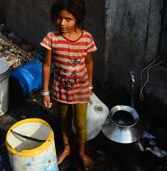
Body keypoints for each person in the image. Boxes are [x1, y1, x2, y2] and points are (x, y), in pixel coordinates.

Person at [40, 0, 97, 169]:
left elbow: (89, 64)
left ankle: (81, 151)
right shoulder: (52, 38)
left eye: (68, 19)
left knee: (80, 123)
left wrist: (90, 86)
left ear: (77, 19)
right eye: (59, 18)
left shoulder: (86, 38)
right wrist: (45, 92)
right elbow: (47, 66)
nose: (62, 23)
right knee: (63, 119)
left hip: (81, 90)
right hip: (60, 89)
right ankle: (66, 148)